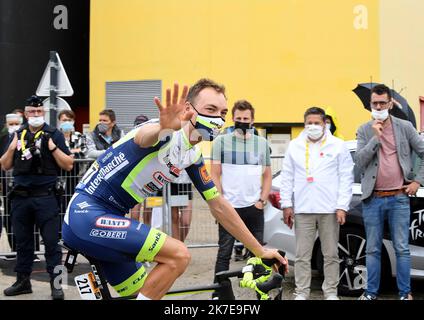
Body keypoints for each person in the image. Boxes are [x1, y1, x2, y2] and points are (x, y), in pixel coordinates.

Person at [62, 79, 287, 300]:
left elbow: (218, 205)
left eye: (222, 113)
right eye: (211, 109)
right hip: (87, 214)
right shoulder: (166, 134)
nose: (218, 118)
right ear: (189, 109)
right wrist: (163, 126)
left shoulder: (192, 155)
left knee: (143, 290)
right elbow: (143, 139)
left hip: (110, 219)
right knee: (178, 256)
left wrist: (260, 250)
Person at [0, 95, 74, 299]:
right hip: (21, 198)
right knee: (23, 244)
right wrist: (13, 145)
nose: (35, 115)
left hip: (46, 198)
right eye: (31, 112)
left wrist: (52, 147)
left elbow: (68, 164)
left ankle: (57, 285)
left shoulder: (54, 134)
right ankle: (22, 282)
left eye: (39, 112)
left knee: (52, 243)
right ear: (25, 114)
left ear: (43, 113)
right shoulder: (18, 134)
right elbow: (5, 165)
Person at [355, 84, 424, 301]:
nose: (378, 106)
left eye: (382, 103)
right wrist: (376, 138)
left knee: (402, 248)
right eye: (374, 103)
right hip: (373, 199)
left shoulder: (404, 127)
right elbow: (359, 161)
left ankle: (405, 293)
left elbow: (423, 152)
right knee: (373, 249)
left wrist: (418, 181)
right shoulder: (364, 129)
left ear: (390, 103)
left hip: (399, 198)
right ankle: (371, 293)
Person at [280, 107, 354, 300]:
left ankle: (330, 292)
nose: (312, 126)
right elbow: (287, 177)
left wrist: (342, 206)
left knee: (330, 254)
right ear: (304, 124)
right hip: (303, 209)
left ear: (324, 124)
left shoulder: (337, 145)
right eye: (309, 123)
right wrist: (286, 204)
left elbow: (346, 177)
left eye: (316, 123)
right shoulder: (294, 146)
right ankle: (302, 292)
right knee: (302, 255)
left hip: (329, 209)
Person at [211, 99, 271, 286]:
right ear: (232, 118)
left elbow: (267, 175)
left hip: (254, 207)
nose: (242, 121)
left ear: (252, 120)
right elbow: (214, 173)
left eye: (246, 118)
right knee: (224, 253)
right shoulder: (221, 141)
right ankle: (218, 294)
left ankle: (260, 292)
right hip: (230, 208)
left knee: (257, 254)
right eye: (239, 118)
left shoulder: (261, 143)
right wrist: (220, 201)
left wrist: (262, 200)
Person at [0, 113, 23, 257]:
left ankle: (29, 250)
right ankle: (13, 248)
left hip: (23, 183)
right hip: (6, 184)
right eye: (11, 124)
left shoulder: (26, 136)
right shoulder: (3, 139)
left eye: (16, 123)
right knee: (9, 216)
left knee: (25, 218)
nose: (14, 126)